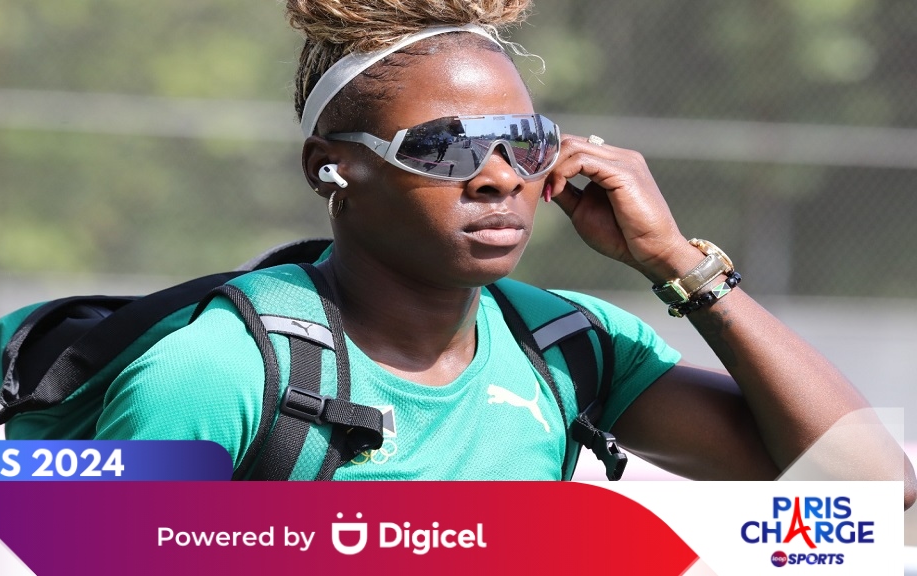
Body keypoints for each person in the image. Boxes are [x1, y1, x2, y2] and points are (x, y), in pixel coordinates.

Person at [96, 0, 915, 504]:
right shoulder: (216, 372)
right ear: (331, 168)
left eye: (524, 143)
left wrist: (678, 264)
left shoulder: (569, 349)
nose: (497, 179)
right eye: (444, 147)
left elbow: (876, 493)